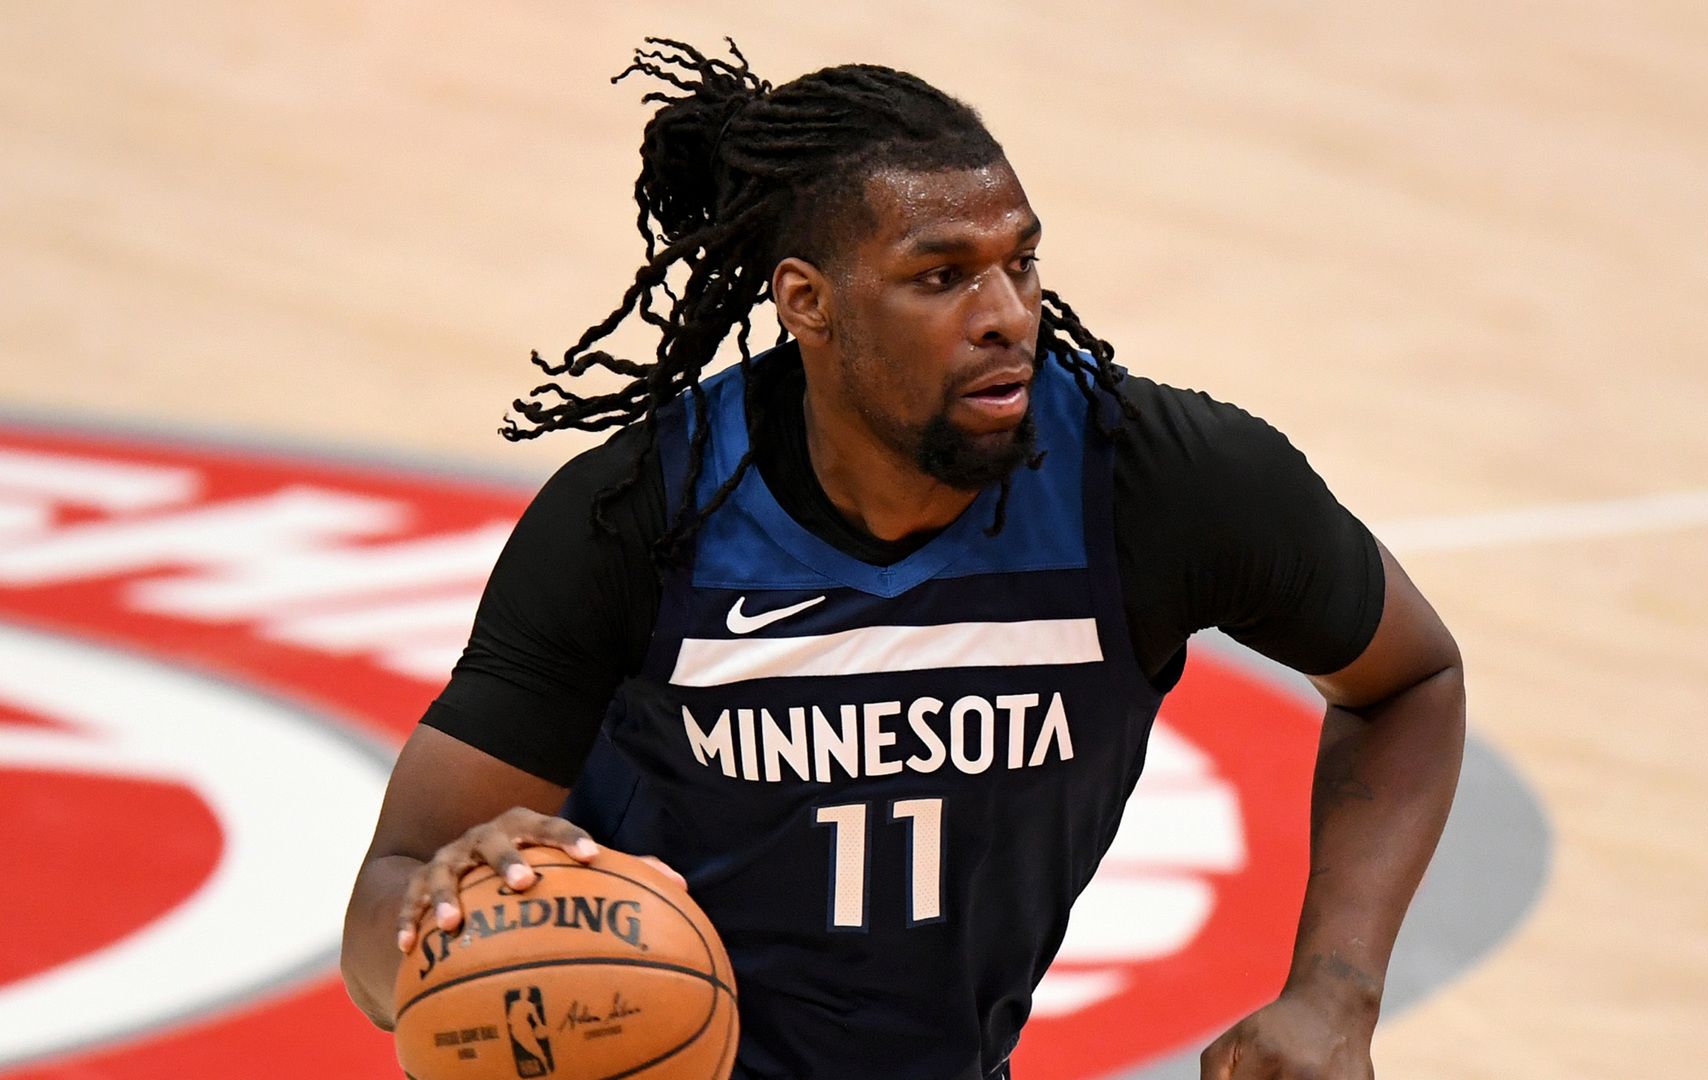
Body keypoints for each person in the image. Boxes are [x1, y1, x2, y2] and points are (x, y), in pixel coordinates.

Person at [340, 38, 1465, 1080]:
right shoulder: (645, 513)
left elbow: (1410, 679)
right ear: (808, 302)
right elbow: (376, 927)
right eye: (942, 276)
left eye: (1021, 261)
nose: (1007, 314)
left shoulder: (1155, 483)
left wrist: (1339, 991)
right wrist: (456, 926)